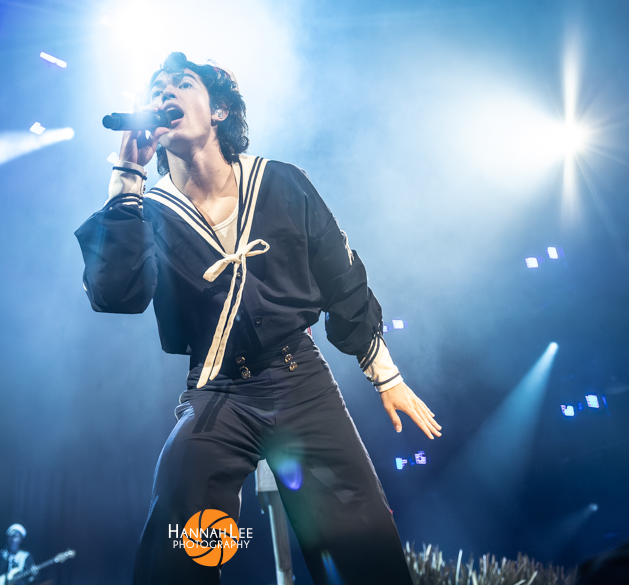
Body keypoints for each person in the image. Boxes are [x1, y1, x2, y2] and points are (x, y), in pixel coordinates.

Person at [75, 52, 443, 584]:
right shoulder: (149, 210)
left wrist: (386, 375)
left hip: (300, 380)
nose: (165, 93)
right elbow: (116, 294)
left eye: (182, 83)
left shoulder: (281, 181)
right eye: (156, 89)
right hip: (218, 389)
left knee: (357, 536)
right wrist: (127, 176)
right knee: (182, 508)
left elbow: (341, 276)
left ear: (219, 110)